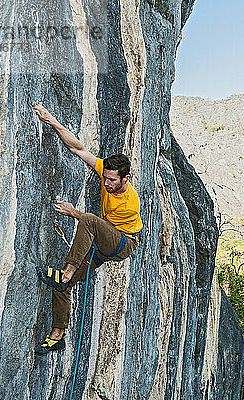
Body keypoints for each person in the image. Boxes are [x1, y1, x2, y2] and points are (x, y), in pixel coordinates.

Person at [32, 105, 143, 355]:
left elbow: (95, 225)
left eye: (112, 180)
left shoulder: (128, 203)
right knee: (60, 284)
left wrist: (73, 212)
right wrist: (52, 120)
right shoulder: (107, 172)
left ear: (125, 179)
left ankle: (68, 272)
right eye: (106, 177)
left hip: (123, 243)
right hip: (102, 243)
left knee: (89, 220)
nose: (106, 183)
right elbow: (78, 148)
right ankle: (57, 334)